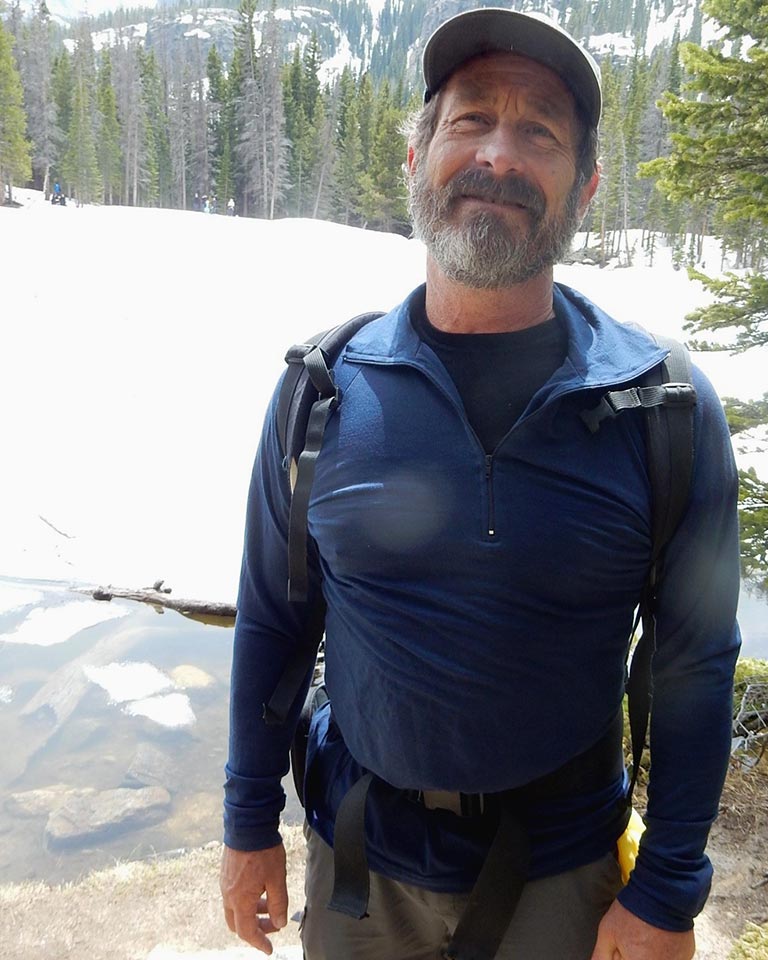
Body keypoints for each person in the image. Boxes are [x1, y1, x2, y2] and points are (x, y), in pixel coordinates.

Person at [220, 8, 741, 960]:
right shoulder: (322, 390)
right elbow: (273, 619)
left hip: (564, 874)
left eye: (539, 130)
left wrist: (668, 887)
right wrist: (248, 822)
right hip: (361, 865)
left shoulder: (659, 409)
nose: (498, 154)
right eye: (468, 121)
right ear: (415, 156)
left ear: (585, 186)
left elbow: (695, 664)